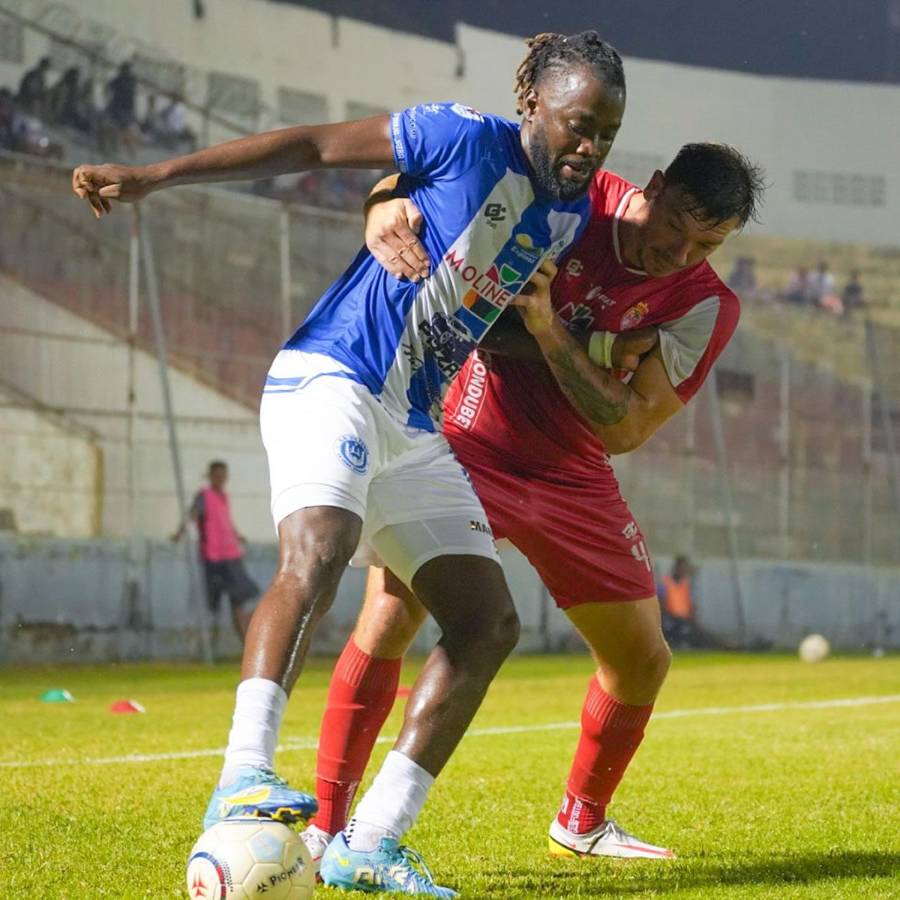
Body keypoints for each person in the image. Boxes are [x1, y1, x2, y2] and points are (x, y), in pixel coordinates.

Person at [73, 30, 627, 896]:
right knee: (320, 548)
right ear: (534, 107)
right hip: (332, 374)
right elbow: (317, 145)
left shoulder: (573, 209)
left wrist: (573, 348)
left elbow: (493, 312)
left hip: (412, 422)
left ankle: (369, 844)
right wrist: (157, 177)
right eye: (578, 125)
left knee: (488, 625)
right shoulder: (460, 136)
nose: (589, 147)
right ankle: (243, 774)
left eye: (606, 134)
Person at [300, 142, 765, 868]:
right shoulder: (573, 201)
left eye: (707, 243)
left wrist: (548, 328)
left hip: (574, 476)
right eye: (675, 224)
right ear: (655, 185)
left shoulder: (706, 305)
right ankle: (326, 825)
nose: (680, 251)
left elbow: (627, 428)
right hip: (467, 443)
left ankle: (580, 821)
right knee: (387, 619)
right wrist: (381, 203)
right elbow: (426, 172)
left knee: (641, 660)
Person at [172, 461, 259, 648]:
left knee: (239, 602)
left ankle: (247, 646)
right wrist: (180, 533)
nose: (220, 479)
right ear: (210, 476)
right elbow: (193, 515)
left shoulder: (224, 497)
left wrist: (237, 535)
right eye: (216, 475)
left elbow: (226, 521)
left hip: (232, 556)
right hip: (214, 558)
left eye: (223, 475)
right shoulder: (204, 496)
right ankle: (211, 647)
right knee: (215, 606)